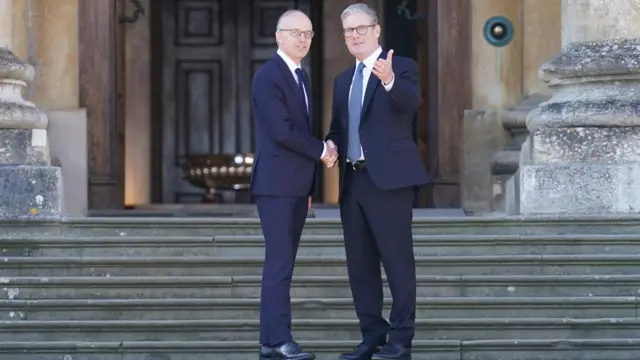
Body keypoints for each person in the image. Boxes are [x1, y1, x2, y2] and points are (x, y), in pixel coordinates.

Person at [323, 3, 428, 360]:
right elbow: (339, 128)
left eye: (361, 29)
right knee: (361, 267)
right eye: (348, 31)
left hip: (390, 183)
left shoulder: (401, 67)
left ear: (377, 29)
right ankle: (372, 336)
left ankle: (401, 341)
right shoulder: (342, 81)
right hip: (353, 183)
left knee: (398, 264)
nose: (354, 36)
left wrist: (389, 80)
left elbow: (412, 103)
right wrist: (331, 146)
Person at [250, 8, 337, 360]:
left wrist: (308, 186)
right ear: (278, 36)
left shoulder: (301, 76)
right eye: (295, 32)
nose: (303, 39)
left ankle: (272, 340)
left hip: (295, 186)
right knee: (280, 264)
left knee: (283, 263)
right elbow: (283, 131)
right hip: (274, 185)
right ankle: (278, 340)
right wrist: (323, 150)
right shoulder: (268, 76)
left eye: (308, 33)